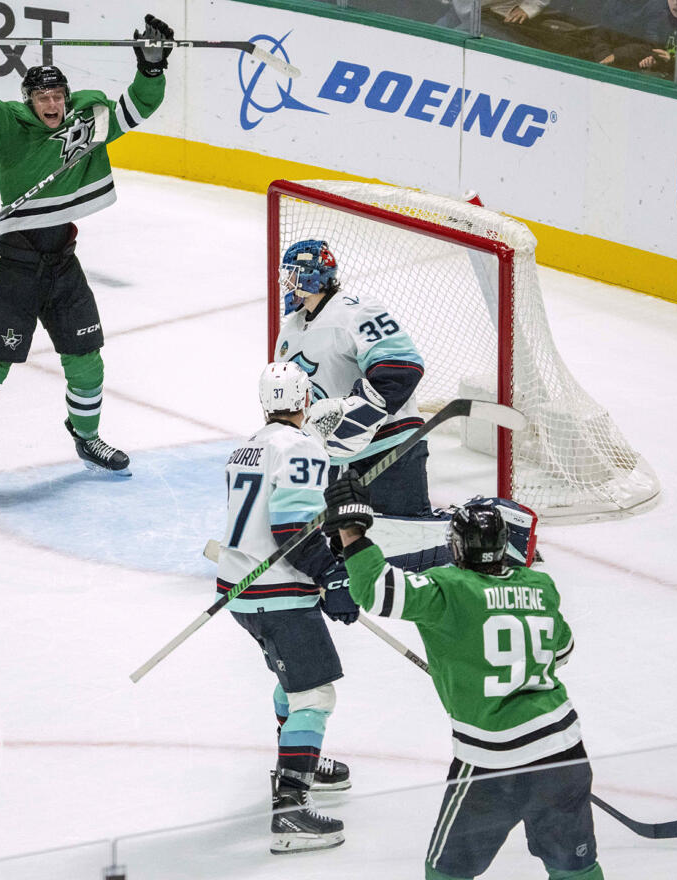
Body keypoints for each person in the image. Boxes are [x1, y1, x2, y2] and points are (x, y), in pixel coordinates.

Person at [0, 14, 173, 500]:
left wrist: (152, 68)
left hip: (62, 261)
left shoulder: (87, 122)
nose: (51, 105)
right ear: (28, 101)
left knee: (87, 359)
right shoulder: (11, 128)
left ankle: (86, 436)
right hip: (14, 264)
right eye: (41, 98)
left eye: (57, 97)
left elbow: (138, 106)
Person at [323, 473, 604, 880]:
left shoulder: (449, 588)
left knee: (447, 872)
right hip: (563, 750)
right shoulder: (541, 586)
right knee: (574, 868)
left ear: (456, 547)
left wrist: (351, 531)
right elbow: (561, 651)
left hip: (494, 762)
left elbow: (376, 590)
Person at [218, 362, 360, 855]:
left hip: (242, 588)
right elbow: (292, 530)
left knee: (292, 680)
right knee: (314, 695)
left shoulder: (246, 447)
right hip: (277, 591)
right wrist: (332, 574)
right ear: (304, 402)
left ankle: (293, 763)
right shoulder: (300, 447)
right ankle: (290, 808)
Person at [274, 240, 431, 518]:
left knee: (405, 540)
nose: (287, 282)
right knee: (343, 549)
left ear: (313, 277)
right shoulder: (290, 331)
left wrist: (355, 418)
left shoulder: (356, 311)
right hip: (332, 459)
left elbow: (402, 367)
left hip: (389, 449)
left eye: (293, 274)